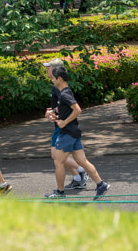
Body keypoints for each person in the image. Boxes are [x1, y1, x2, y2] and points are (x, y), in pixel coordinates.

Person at [43, 65, 110, 198]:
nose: (52, 81)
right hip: (73, 132)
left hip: (67, 133)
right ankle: (101, 185)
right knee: (82, 161)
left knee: (58, 161)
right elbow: (66, 112)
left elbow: (77, 110)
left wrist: (64, 122)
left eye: (54, 79)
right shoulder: (65, 93)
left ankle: (60, 192)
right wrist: (56, 117)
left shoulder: (64, 94)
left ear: (60, 78)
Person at [42, 59, 88, 189]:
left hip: (63, 126)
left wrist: (55, 113)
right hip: (60, 124)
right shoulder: (55, 85)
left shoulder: (59, 86)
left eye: (49, 67)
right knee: (61, 155)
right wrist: (51, 112)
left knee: (56, 156)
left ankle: (81, 171)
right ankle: (77, 177)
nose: (47, 70)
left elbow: (67, 106)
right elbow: (59, 106)